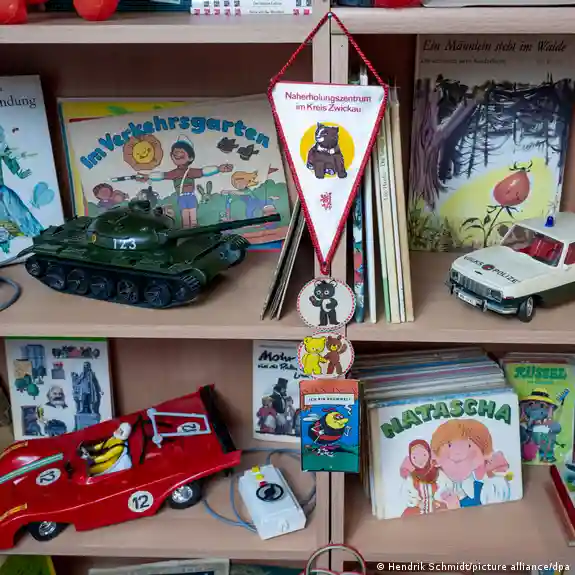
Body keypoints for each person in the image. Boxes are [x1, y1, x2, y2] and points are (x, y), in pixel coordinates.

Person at [136, 138, 232, 228]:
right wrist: (147, 176)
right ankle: (187, 235)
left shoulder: (191, 171)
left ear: (190, 158)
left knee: (193, 221)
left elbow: (203, 171)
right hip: (182, 198)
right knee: (185, 221)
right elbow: (162, 175)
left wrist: (218, 169)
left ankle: (194, 234)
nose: (177, 154)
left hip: (190, 197)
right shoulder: (174, 173)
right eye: (175, 152)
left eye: (181, 152)